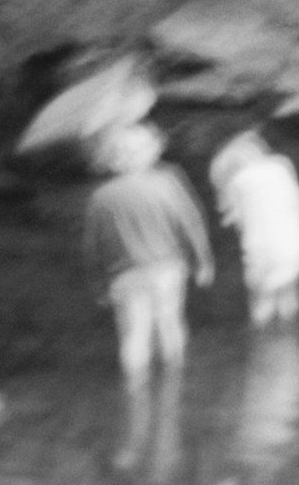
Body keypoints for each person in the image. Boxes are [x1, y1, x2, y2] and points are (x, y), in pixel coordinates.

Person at [83, 122, 215, 401]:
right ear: (152, 153)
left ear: (112, 160)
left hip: (125, 277)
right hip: (168, 270)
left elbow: (93, 248)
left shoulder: (100, 197)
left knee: (134, 336)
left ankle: (136, 395)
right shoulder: (168, 184)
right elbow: (191, 224)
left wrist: (98, 286)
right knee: (170, 323)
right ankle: (173, 387)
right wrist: (204, 261)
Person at [208, 128, 299, 327]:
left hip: (260, 248)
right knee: (288, 294)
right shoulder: (281, 168)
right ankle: (289, 334)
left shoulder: (236, 183)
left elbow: (233, 219)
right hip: (293, 242)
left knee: (262, 301)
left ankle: (262, 343)